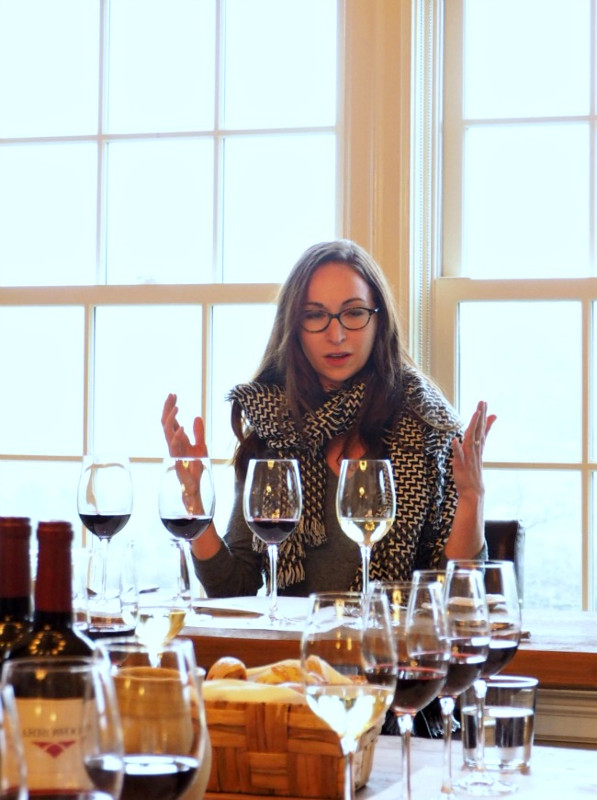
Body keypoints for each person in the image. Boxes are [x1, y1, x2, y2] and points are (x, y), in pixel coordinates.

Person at [161, 239, 495, 599]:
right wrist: (195, 505)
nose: (336, 335)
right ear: (294, 327)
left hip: (395, 649)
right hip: (297, 653)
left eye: (353, 313)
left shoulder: (428, 426)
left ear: (378, 320)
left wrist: (472, 498)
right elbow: (234, 587)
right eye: (315, 315)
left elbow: (457, 594)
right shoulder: (273, 425)